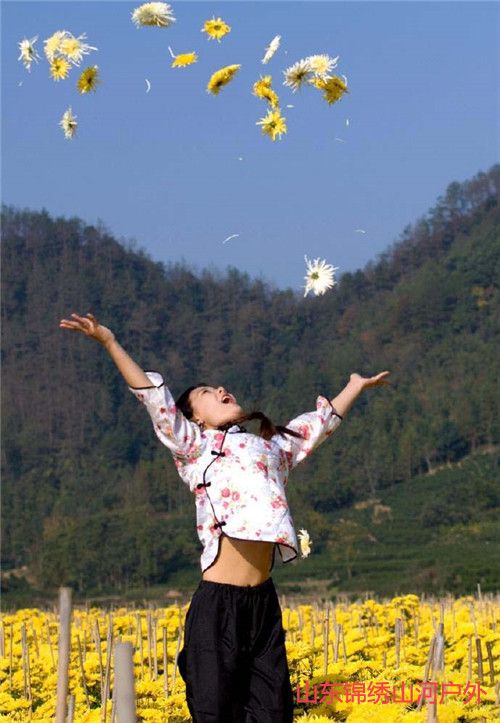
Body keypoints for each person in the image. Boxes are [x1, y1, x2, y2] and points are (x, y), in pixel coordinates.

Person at [59, 311, 391, 722]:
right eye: (206, 392)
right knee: (215, 712)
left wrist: (354, 386)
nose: (220, 389)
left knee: (274, 713)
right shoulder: (195, 446)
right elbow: (153, 399)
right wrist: (110, 342)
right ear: (194, 417)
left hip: (263, 603)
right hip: (219, 605)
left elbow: (315, 427)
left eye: (220, 387)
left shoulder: (271, 448)